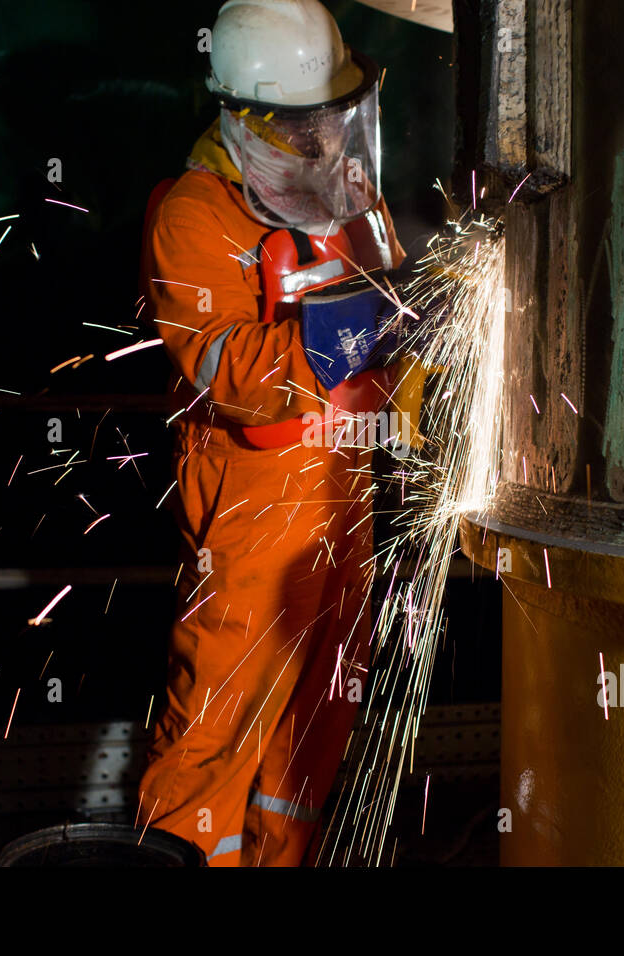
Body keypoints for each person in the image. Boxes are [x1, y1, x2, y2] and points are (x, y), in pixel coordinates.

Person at [137, 0, 410, 866]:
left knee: (315, 729)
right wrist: (349, 332)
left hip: (345, 502)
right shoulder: (194, 214)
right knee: (211, 733)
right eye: (302, 120)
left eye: (332, 114)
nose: (323, 135)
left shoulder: (354, 197)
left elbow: (402, 329)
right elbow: (225, 374)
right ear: (245, 114)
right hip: (250, 525)